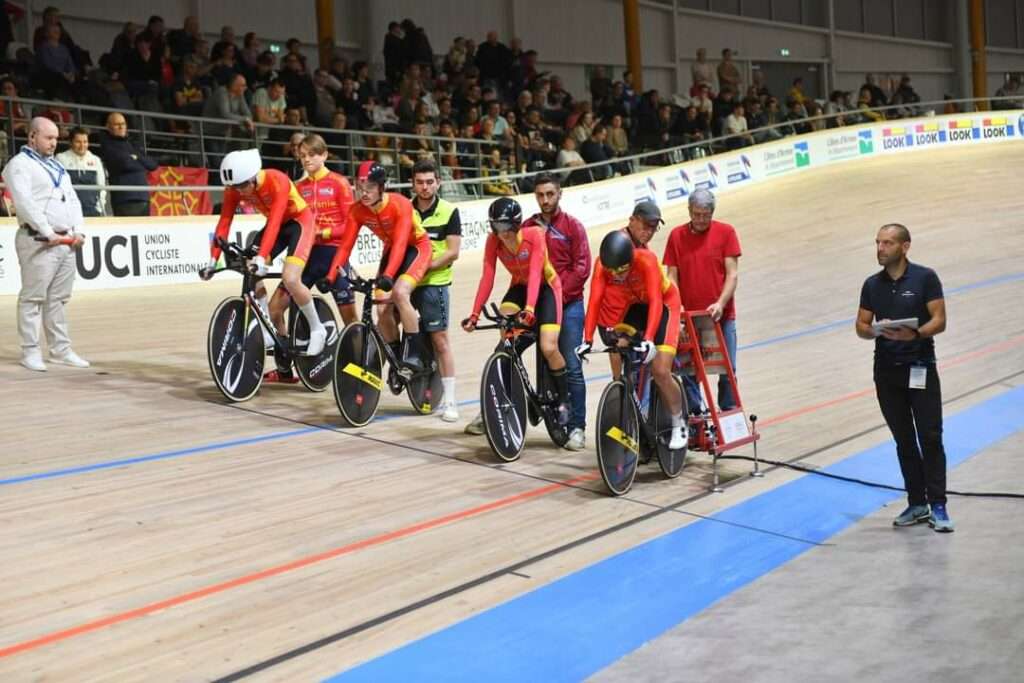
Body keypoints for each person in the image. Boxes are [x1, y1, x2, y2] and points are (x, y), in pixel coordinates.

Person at [856, 224, 953, 532]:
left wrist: (917, 333)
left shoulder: (925, 278)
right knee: (904, 440)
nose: (880, 248)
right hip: (886, 372)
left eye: (887, 243)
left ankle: (938, 504)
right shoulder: (872, 284)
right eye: (877, 243)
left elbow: (940, 320)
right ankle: (917, 502)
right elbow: (860, 324)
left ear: (905, 246)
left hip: (919, 367)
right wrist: (873, 330)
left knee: (930, 437)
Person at [200, 148, 328, 357]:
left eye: (242, 186)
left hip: (299, 223)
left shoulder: (277, 180)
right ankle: (266, 326)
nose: (238, 192)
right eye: (234, 187)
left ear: (253, 177)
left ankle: (317, 328)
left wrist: (262, 258)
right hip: (276, 227)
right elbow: (224, 223)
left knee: (291, 278)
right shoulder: (235, 188)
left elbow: (276, 221)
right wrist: (212, 261)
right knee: (251, 270)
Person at [258, 133, 358, 384]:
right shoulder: (298, 187)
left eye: (312, 155)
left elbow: (350, 225)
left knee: (349, 316)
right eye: (302, 156)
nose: (307, 160)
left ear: (324, 155)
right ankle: (284, 368)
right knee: (274, 308)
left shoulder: (338, 183)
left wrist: (321, 232)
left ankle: (358, 365)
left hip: (333, 255)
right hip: (306, 255)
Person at [461, 197, 571, 425]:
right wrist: (474, 314)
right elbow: (487, 276)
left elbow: (535, 273)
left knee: (548, 346)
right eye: (497, 227)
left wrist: (530, 308)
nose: (503, 233)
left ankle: (564, 399)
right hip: (519, 288)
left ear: (517, 223)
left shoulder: (535, 235)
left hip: (546, 288)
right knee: (505, 331)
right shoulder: (493, 241)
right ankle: (519, 394)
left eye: (507, 226)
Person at [578, 229, 686, 450]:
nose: (617, 275)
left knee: (660, 370)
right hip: (636, 306)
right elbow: (594, 302)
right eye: (613, 272)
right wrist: (586, 339)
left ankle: (679, 421)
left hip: (664, 305)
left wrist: (648, 339)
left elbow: (656, 301)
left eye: (623, 270)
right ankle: (631, 412)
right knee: (618, 346)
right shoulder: (601, 265)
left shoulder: (647, 260)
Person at [324, 161, 433, 377]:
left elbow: (402, 243)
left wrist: (388, 276)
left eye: (370, 187)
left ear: (382, 188)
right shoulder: (357, 210)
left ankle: (415, 352)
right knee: (382, 308)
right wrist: (330, 275)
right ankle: (394, 355)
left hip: (417, 248)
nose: (364, 193)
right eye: (360, 186)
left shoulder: (400, 204)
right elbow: (345, 246)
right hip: (391, 251)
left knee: (400, 293)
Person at [3, 117, 89, 371]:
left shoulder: (57, 167)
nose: (54, 143)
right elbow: (24, 202)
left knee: (59, 299)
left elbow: (73, 200)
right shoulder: (18, 165)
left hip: (66, 241)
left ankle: (60, 349)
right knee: (33, 298)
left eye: (55, 138)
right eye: (48, 138)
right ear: (32, 137)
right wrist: (47, 231)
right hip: (37, 240)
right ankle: (30, 351)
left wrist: (79, 230)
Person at [522, 173, 590, 448]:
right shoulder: (527, 226)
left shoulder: (573, 226)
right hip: (537, 305)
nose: (545, 200)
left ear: (560, 193)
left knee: (572, 366)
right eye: (540, 195)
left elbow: (582, 268)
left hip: (569, 304)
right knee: (509, 348)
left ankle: (577, 427)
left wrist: (556, 296)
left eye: (550, 194)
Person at [663, 189, 741, 413]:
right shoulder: (677, 236)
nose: (700, 220)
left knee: (728, 368)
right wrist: (677, 311)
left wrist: (720, 303)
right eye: (696, 214)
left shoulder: (726, 232)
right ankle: (696, 413)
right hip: (689, 317)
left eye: (705, 215)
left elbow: (732, 274)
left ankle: (729, 411)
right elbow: (672, 276)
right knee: (688, 370)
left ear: (712, 213)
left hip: (720, 316)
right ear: (689, 211)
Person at [410, 158, 462, 422]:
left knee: (440, 339)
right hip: (408, 282)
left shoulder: (449, 211)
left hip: (434, 283)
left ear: (438, 183)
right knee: (384, 311)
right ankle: (405, 362)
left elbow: (452, 252)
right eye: (420, 182)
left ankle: (451, 401)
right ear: (413, 184)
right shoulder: (405, 210)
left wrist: (422, 267)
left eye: (430, 182)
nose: (425, 187)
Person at [98, 112, 158, 216]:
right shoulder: (108, 144)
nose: (121, 127)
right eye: (117, 124)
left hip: (143, 197)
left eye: (123, 124)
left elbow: (152, 165)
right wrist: (141, 163)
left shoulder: (132, 143)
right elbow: (126, 164)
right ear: (108, 127)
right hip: (125, 199)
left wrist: (136, 158)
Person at [56, 127, 106, 217]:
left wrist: (99, 207)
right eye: (78, 142)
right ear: (70, 143)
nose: (82, 145)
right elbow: (58, 187)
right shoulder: (61, 158)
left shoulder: (95, 160)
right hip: (70, 211)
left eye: (85, 142)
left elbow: (102, 187)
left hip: (92, 210)